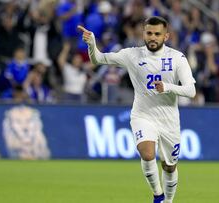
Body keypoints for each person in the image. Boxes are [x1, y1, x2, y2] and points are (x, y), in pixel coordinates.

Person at [78, 16, 196, 203]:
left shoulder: (177, 58)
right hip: (143, 115)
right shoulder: (132, 55)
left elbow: (191, 90)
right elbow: (98, 59)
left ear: (166, 36)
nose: (153, 37)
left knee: (169, 166)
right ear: (143, 34)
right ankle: (158, 195)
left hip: (169, 119)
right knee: (147, 154)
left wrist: (168, 87)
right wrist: (92, 43)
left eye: (157, 34)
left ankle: (168, 201)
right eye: (149, 33)